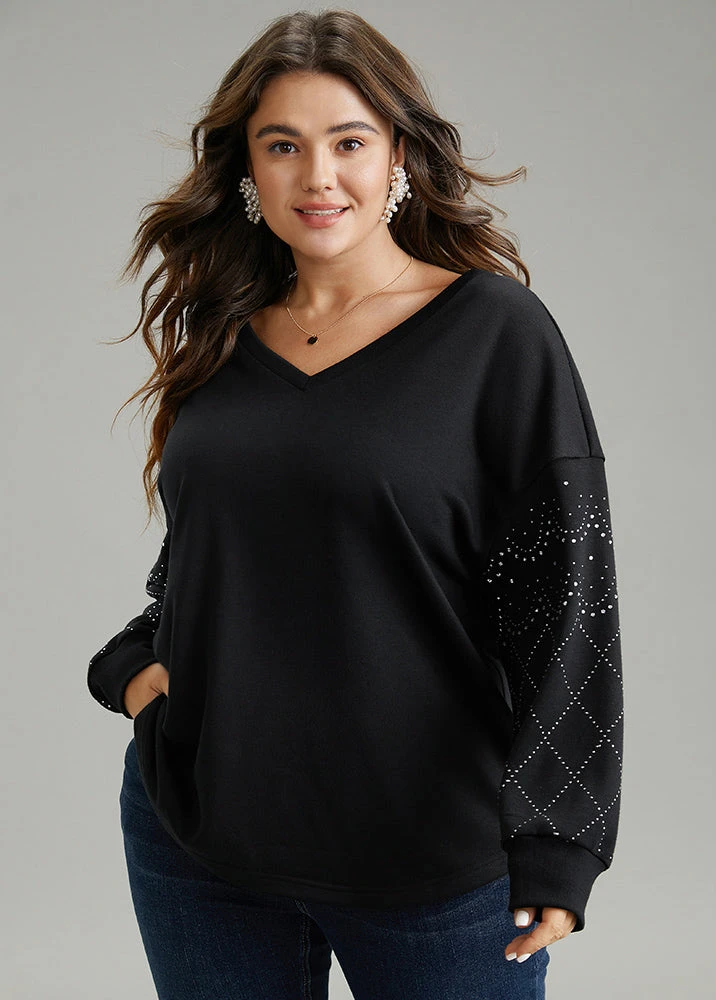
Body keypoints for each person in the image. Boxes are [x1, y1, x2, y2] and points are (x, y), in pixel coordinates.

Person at [87, 9, 623, 999]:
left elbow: (567, 598)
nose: (318, 177)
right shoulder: (223, 337)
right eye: (282, 145)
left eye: (348, 142)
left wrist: (560, 835)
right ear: (247, 170)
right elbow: (214, 558)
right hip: (202, 847)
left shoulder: (495, 335)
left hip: (429, 857)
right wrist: (134, 666)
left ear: (399, 157)